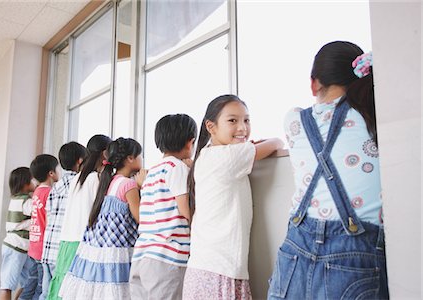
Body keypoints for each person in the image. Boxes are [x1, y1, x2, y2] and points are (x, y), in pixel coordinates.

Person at [267, 41, 388, 299]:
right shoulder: (374, 116)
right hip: (356, 250)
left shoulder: (294, 120)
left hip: (296, 245)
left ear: (314, 84)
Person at [181, 94, 283, 299]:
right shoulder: (225, 156)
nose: (242, 128)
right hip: (220, 270)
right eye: (232, 120)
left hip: (204, 268)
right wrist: (265, 142)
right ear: (211, 127)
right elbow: (277, 142)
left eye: (246, 120)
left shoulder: (208, 155)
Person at [59, 137, 145, 299]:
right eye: (140, 155)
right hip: (120, 251)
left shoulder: (110, 181)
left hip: (101, 250)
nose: (142, 159)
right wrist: (144, 186)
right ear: (130, 158)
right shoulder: (129, 185)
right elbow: (141, 218)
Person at [129, 114, 197, 299]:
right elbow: (187, 211)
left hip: (142, 254)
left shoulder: (153, 171)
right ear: (190, 142)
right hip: (167, 258)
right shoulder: (177, 168)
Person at [47, 134, 112, 300]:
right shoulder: (95, 179)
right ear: (105, 153)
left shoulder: (78, 178)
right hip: (81, 244)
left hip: (66, 242)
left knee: (63, 290)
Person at [40, 142, 87, 299]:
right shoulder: (80, 183)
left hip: (47, 249)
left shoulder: (56, 186)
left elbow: (48, 216)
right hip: (62, 252)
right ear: (81, 160)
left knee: (47, 293)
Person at [0, 167, 37, 300]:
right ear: (25, 184)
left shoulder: (16, 199)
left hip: (19, 248)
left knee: (25, 282)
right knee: (8, 284)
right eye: (33, 180)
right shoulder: (26, 202)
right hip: (16, 248)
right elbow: (39, 212)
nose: (35, 183)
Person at [28, 154, 61, 299]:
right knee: (43, 289)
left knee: (33, 286)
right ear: (51, 173)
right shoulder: (49, 193)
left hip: (33, 247)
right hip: (43, 249)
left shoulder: (37, 192)